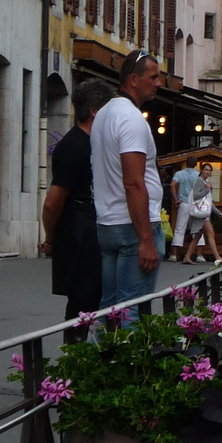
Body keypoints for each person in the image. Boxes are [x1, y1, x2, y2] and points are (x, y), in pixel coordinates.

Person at [90, 50, 166, 319]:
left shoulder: (102, 115)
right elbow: (134, 183)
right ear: (133, 79)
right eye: (153, 77)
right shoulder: (131, 119)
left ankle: (98, 359)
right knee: (131, 310)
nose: (159, 83)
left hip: (108, 222)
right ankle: (127, 362)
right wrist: (146, 239)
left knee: (109, 308)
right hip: (133, 227)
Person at [41, 79, 113, 326]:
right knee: (82, 305)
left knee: (93, 303)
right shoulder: (74, 145)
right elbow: (53, 202)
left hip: (89, 231)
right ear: (95, 111)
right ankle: (75, 356)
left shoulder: (94, 143)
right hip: (79, 235)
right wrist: (50, 239)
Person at [183, 163, 222, 265]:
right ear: (202, 170)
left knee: (198, 236)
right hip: (200, 213)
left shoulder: (206, 182)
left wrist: (217, 212)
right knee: (210, 233)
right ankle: (217, 257)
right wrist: (207, 190)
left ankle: (187, 257)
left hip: (203, 212)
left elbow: (209, 202)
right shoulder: (199, 181)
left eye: (209, 170)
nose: (208, 172)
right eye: (206, 170)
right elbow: (196, 195)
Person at [169, 154, 200, 260]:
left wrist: (175, 199)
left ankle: (174, 254)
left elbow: (172, 184)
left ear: (186, 163)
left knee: (179, 228)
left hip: (183, 203)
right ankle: (199, 255)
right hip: (196, 203)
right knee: (197, 228)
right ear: (196, 164)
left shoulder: (179, 174)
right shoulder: (198, 175)